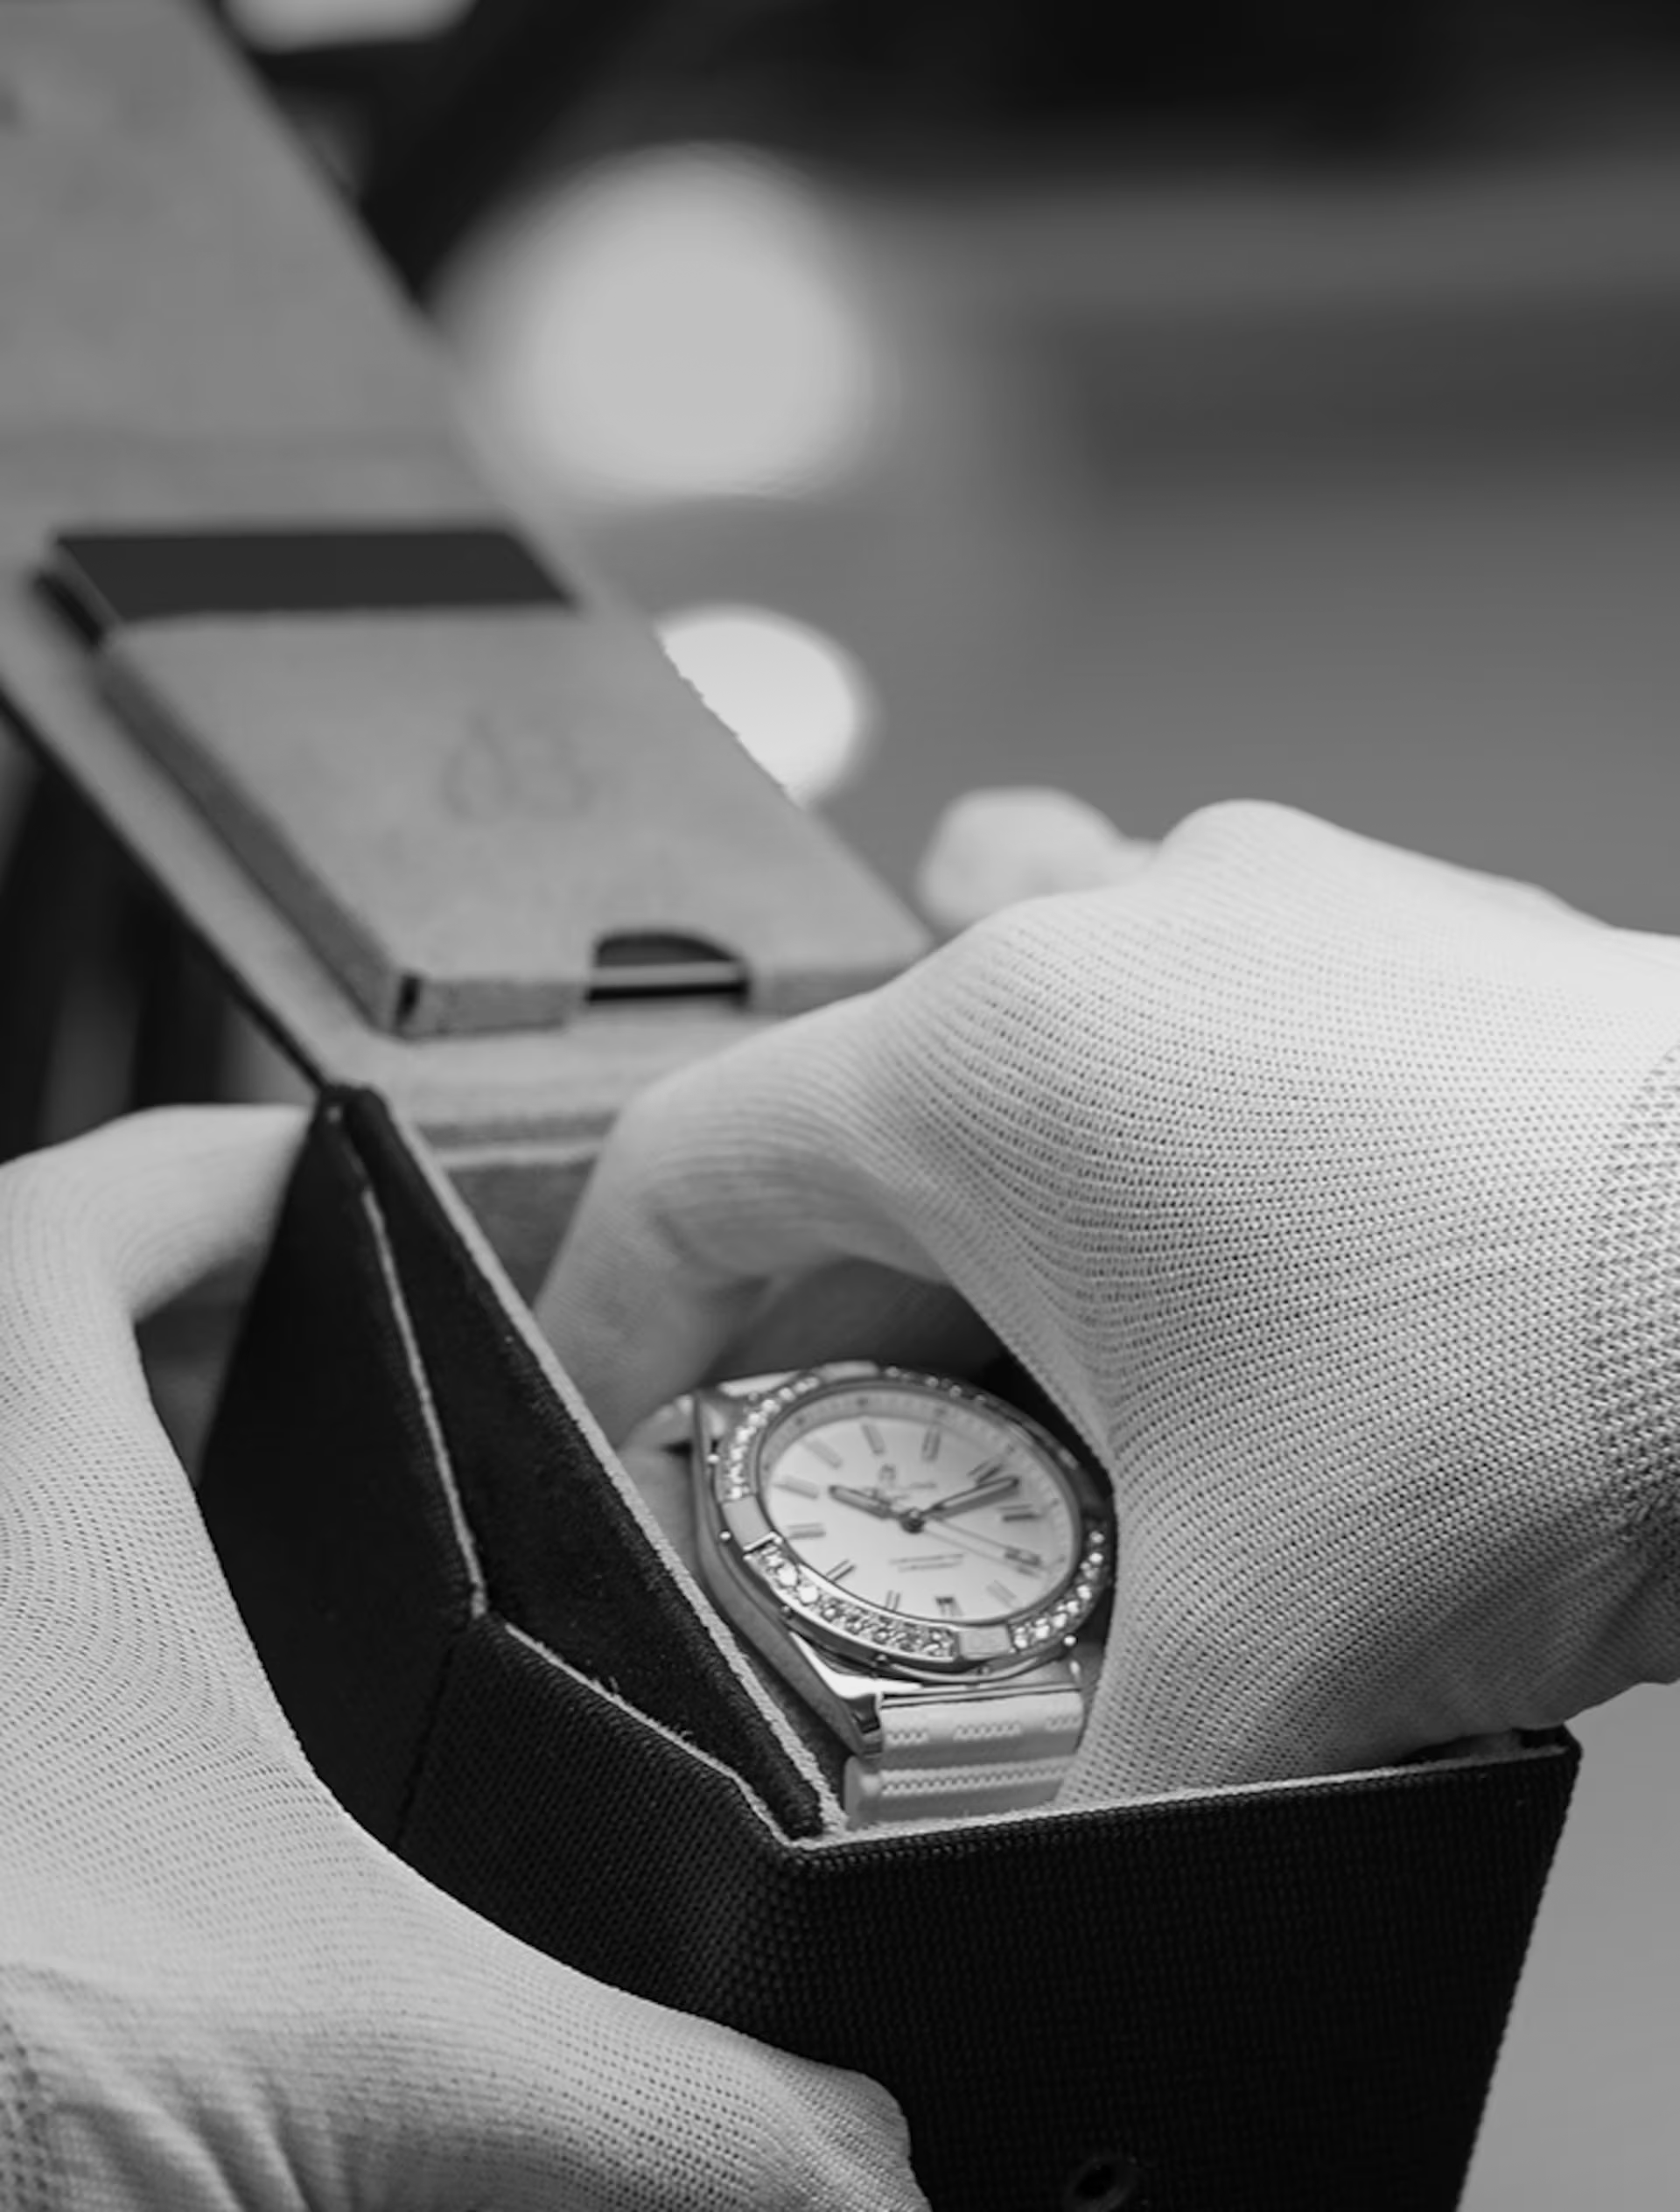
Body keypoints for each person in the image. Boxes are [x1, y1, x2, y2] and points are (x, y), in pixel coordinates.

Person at [6, 795, 1680, 2204]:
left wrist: (1640, 1258)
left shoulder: (905, 1492)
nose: (923, 1519)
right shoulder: (735, 1472)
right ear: (711, 1485)